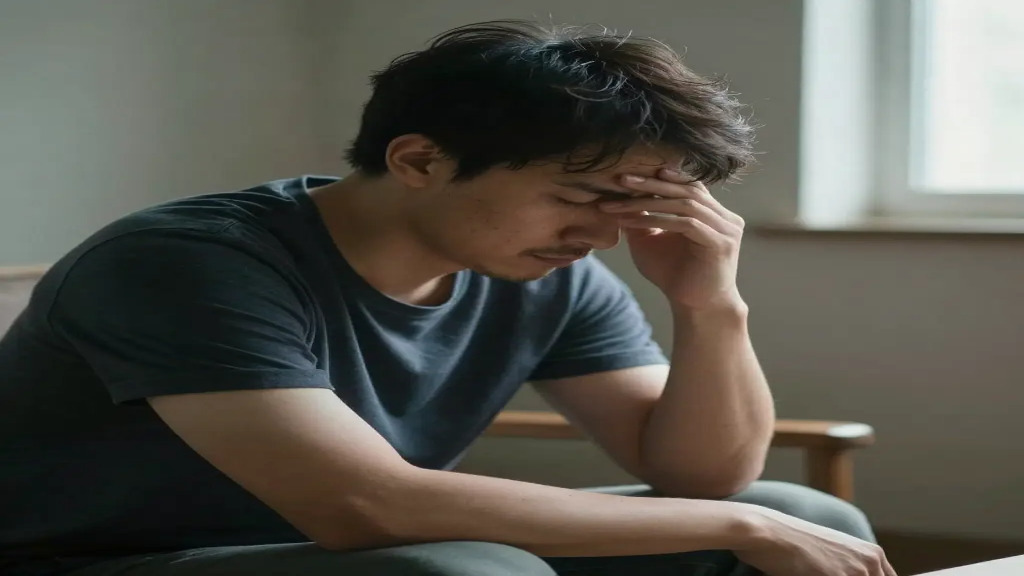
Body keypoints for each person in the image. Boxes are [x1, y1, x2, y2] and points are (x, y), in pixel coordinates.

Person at [0, 19, 896, 576]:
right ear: (420, 160)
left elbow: (701, 478)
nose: (602, 236)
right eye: (584, 196)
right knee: (467, 572)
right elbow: (365, 506)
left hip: (340, 551)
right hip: (109, 561)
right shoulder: (188, 263)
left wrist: (710, 305)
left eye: (630, 206)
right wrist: (738, 521)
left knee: (804, 517)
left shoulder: (548, 274)